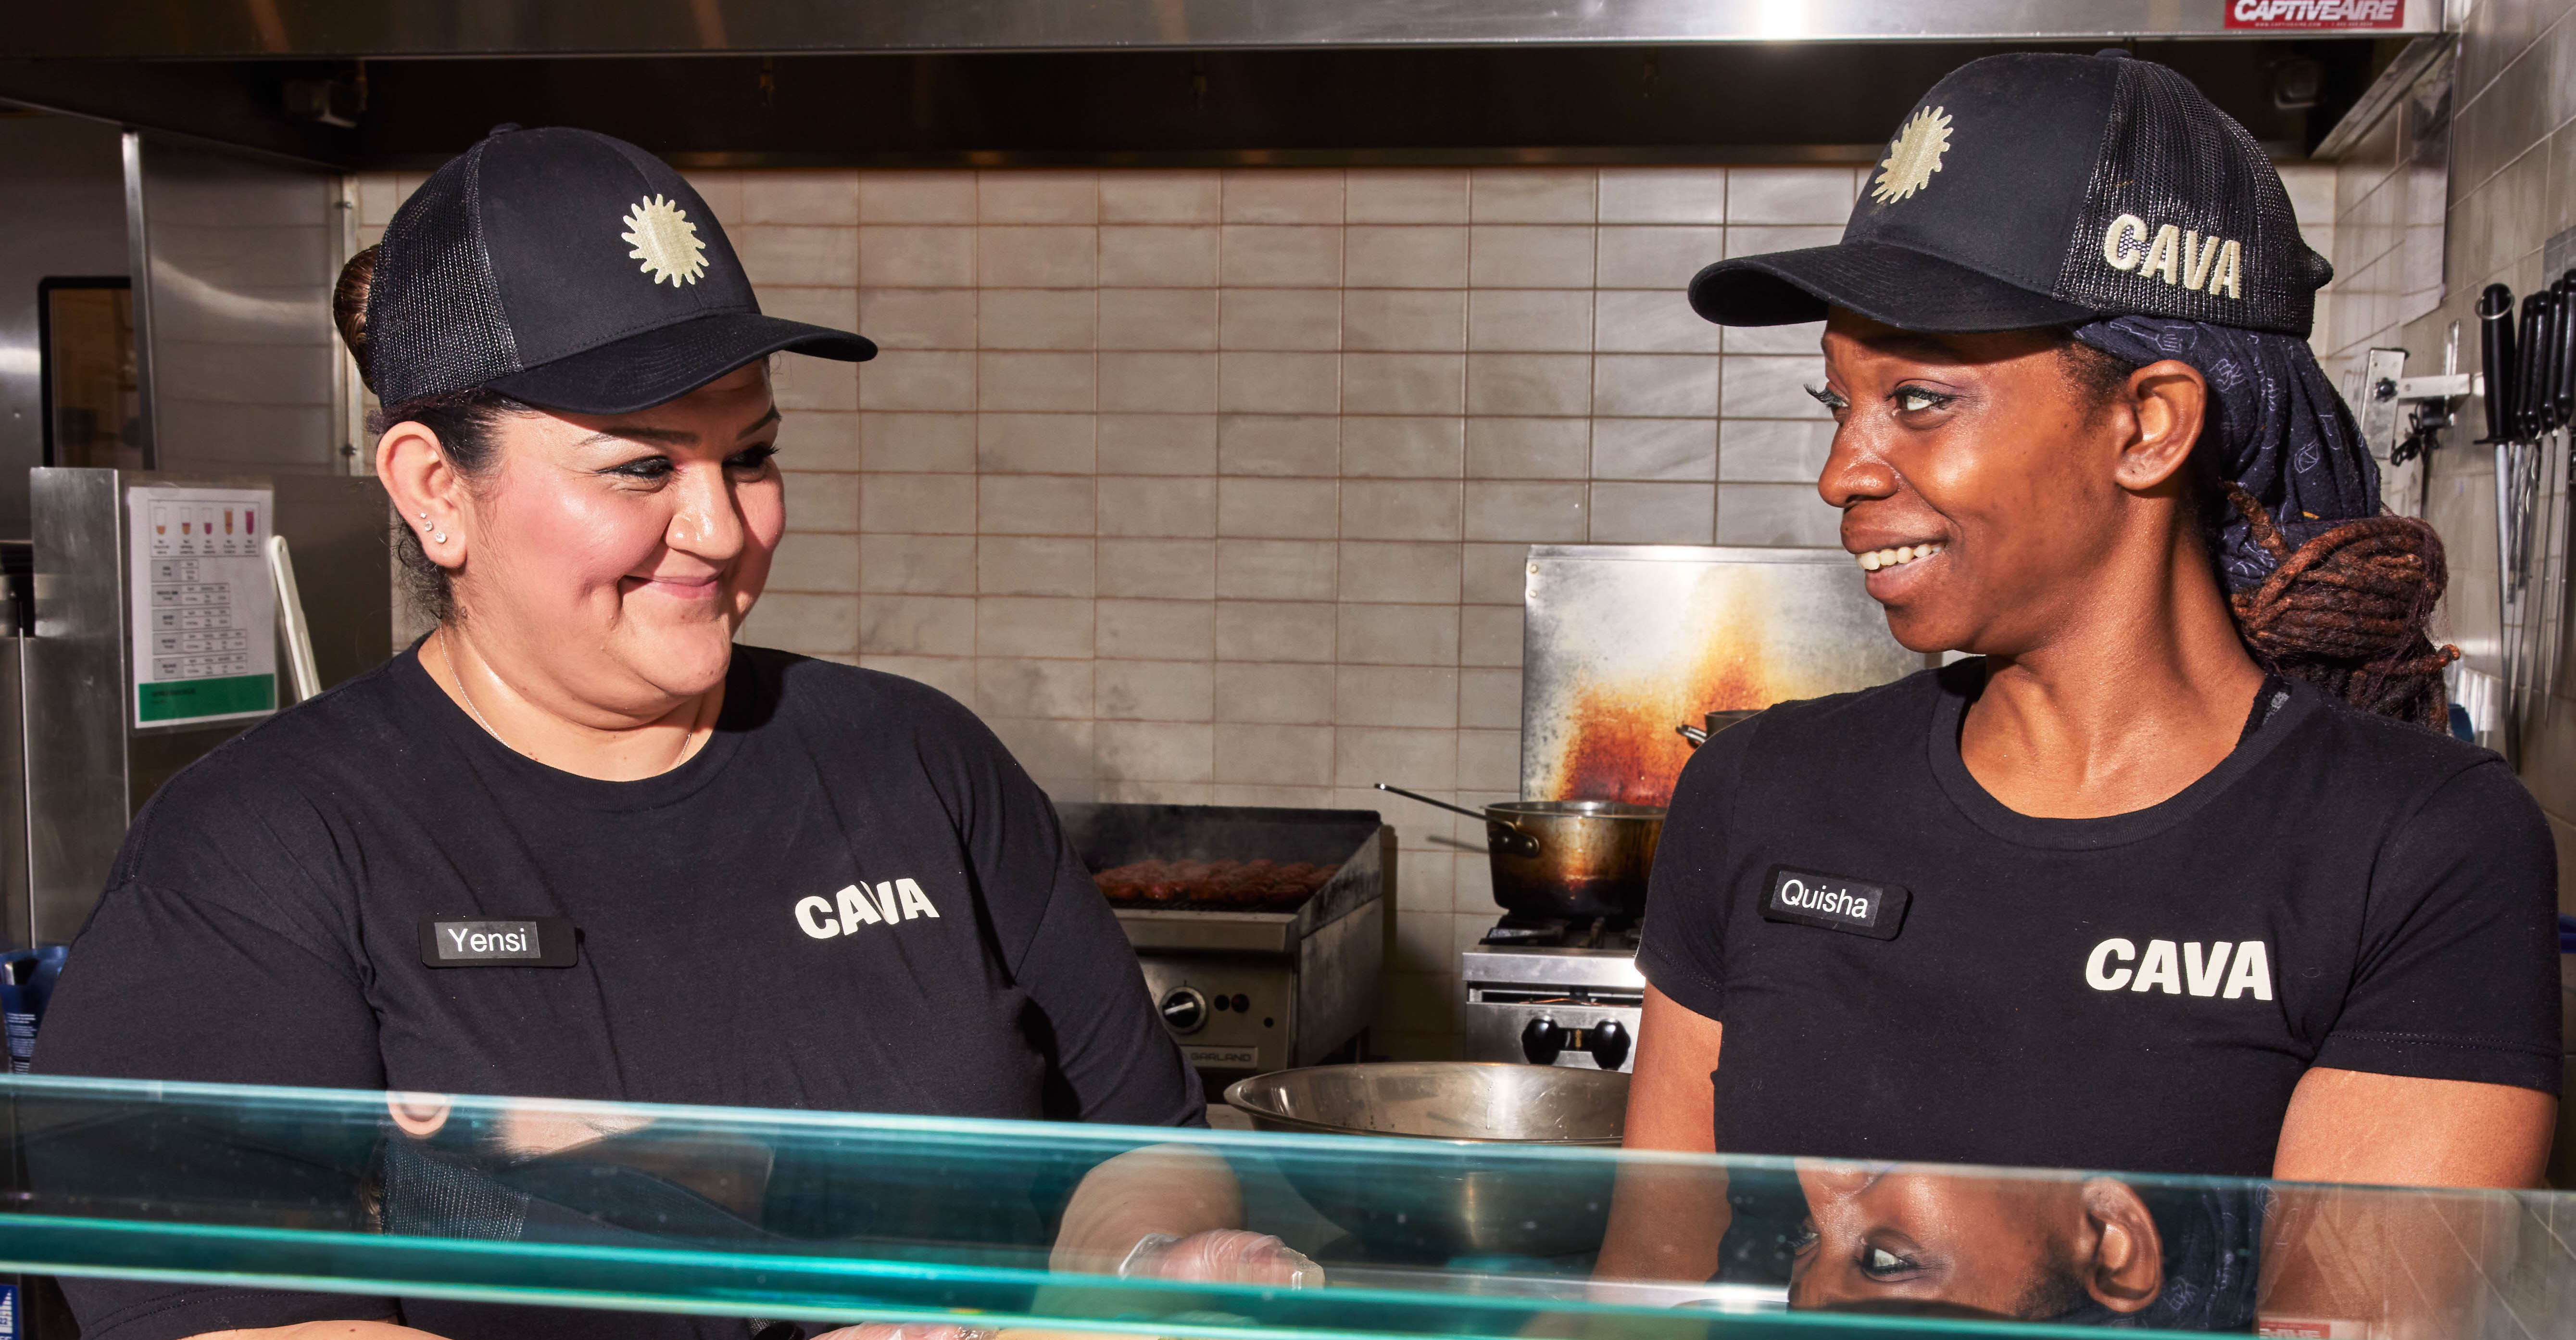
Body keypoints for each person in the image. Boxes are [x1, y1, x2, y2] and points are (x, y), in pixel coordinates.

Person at [32, 126, 1303, 1340]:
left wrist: (1146, 1264)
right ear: (435, 488)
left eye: (750, 455)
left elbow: (1134, 1139)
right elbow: (239, 1321)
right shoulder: (257, 852)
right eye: (643, 468)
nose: (722, 528)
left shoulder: (916, 760)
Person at [1598, 50, 2560, 1294]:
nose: (1842, 472)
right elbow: (1644, 1290)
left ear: (2149, 423)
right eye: (1837, 403)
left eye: (1919, 400)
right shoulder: (1758, 789)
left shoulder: (2420, 849)